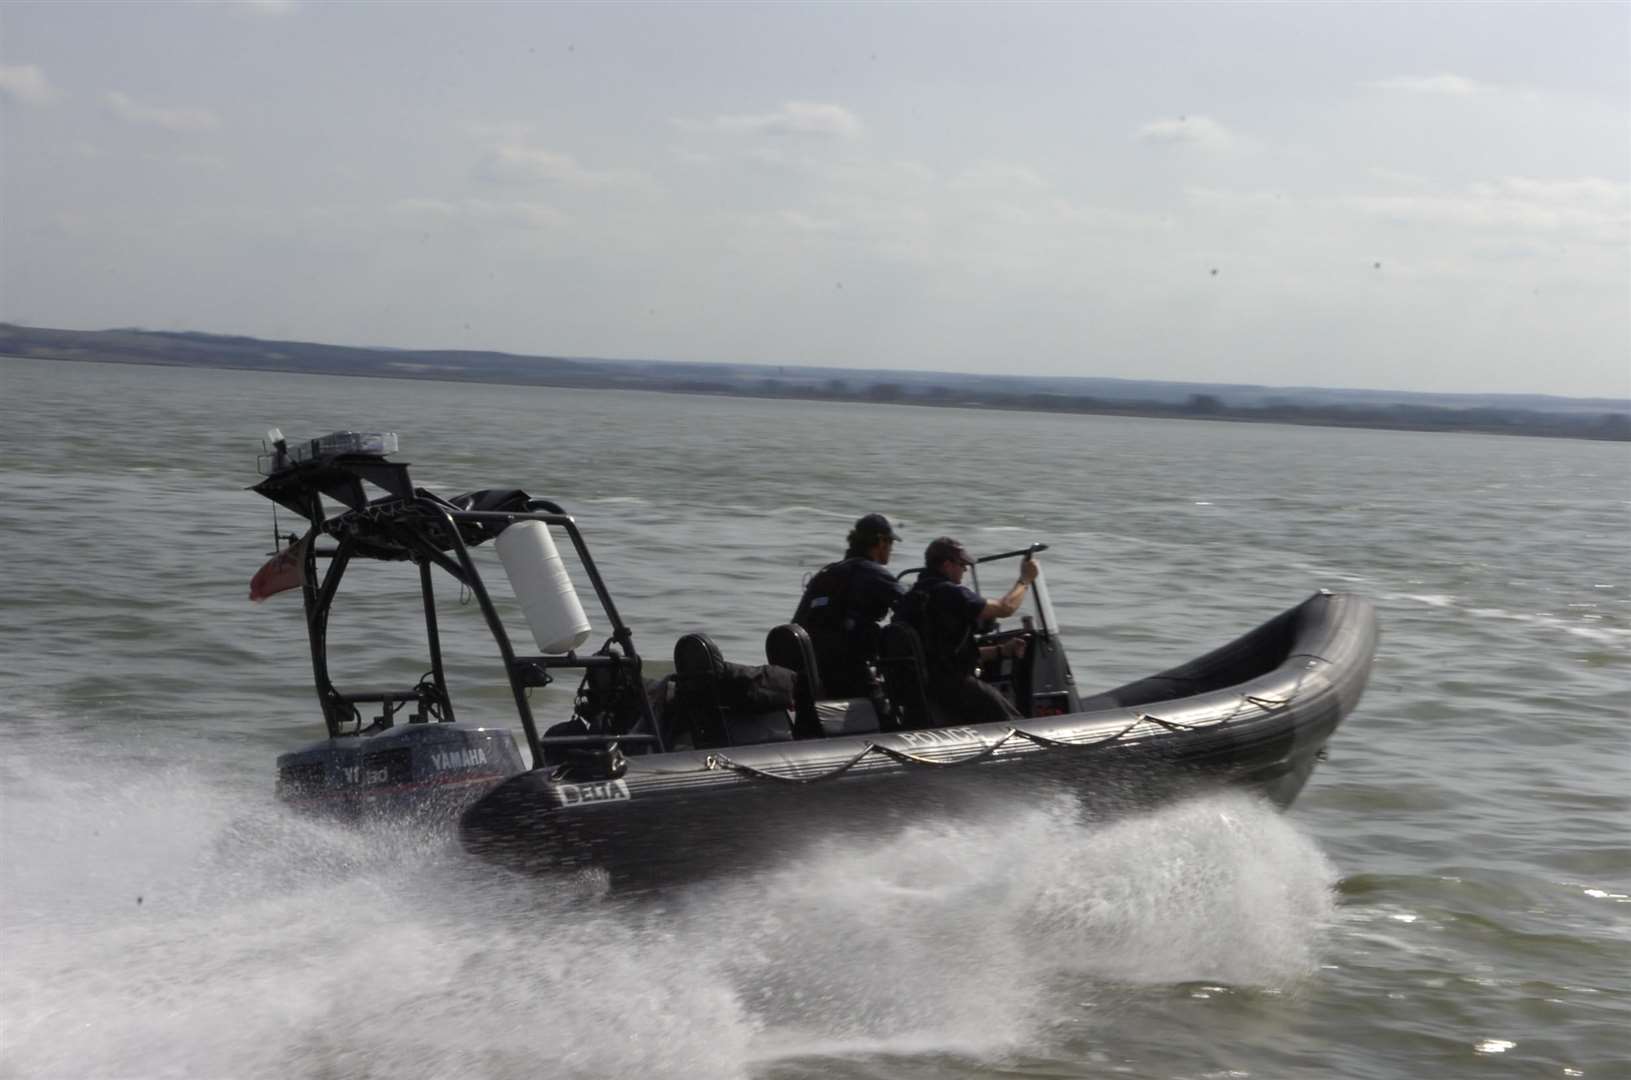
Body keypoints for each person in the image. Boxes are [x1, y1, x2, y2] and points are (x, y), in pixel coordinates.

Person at [893, 536, 1038, 725]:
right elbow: (1005, 608)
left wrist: (1002, 650)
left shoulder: (912, 598)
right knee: (1015, 723)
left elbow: (942, 654)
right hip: (953, 685)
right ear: (947, 564)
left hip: (921, 686)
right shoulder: (950, 592)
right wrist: (1025, 579)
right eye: (962, 564)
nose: (965, 569)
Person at [792, 513, 908, 699]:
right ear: (880, 542)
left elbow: (798, 622)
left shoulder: (826, 573)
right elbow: (912, 607)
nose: (891, 550)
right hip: (849, 668)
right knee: (885, 711)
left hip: (811, 668)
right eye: (890, 543)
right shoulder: (874, 573)